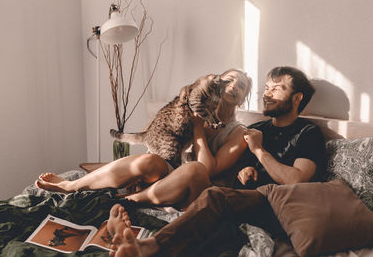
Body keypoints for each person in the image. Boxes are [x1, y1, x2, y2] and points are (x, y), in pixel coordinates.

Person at [105, 66, 326, 257]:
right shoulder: (258, 129)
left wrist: (258, 151)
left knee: (214, 197)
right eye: (267, 88)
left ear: (297, 98)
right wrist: (246, 170)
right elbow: (235, 172)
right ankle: (124, 206)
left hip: (274, 202)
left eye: (276, 89)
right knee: (214, 222)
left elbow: (296, 180)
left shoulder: (308, 133)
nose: (267, 94)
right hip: (240, 198)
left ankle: (149, 245)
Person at [35, 68, 253, 209]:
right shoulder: (195, 105)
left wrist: (198, 127)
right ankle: (71, 186)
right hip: (170, 175)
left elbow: (207, 169)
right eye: (229, 80)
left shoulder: (239, 132)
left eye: (241, 85)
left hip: (196, 189)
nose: (233, 86)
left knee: (194, 168)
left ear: (243, 100)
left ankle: (126, 200)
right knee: (149, 161)